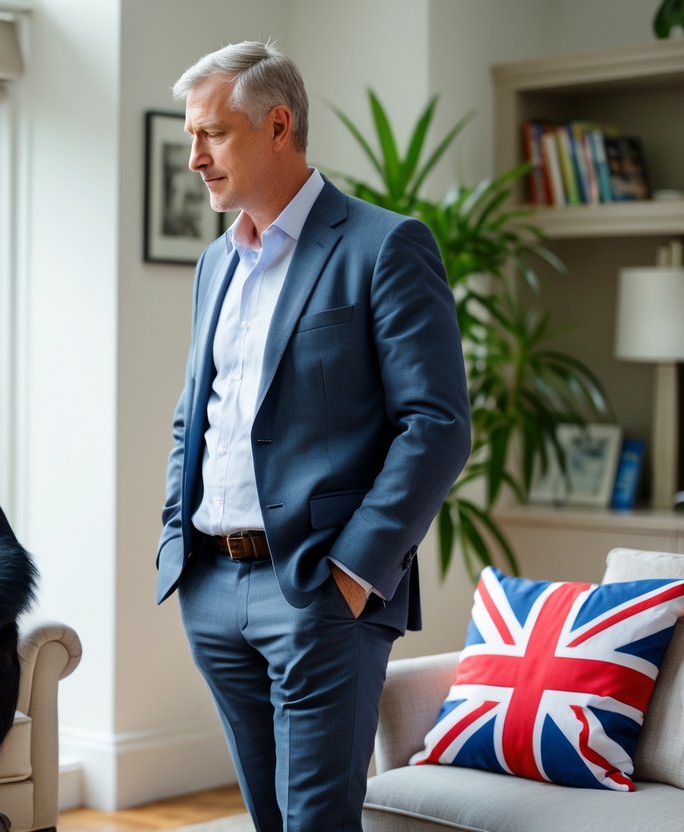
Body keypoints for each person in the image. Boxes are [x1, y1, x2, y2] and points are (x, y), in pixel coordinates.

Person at [155, 41, 471, 831]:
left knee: (316, 821)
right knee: (268, 819)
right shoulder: (214, 265)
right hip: (211, 585)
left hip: (321, 589)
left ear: (278, 125)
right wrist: (177, 541)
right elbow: (197, 414)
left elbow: (436, 426)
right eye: (189, 136)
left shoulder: (384, 244)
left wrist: (355, 572)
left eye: (211, 134)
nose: (193, 157)